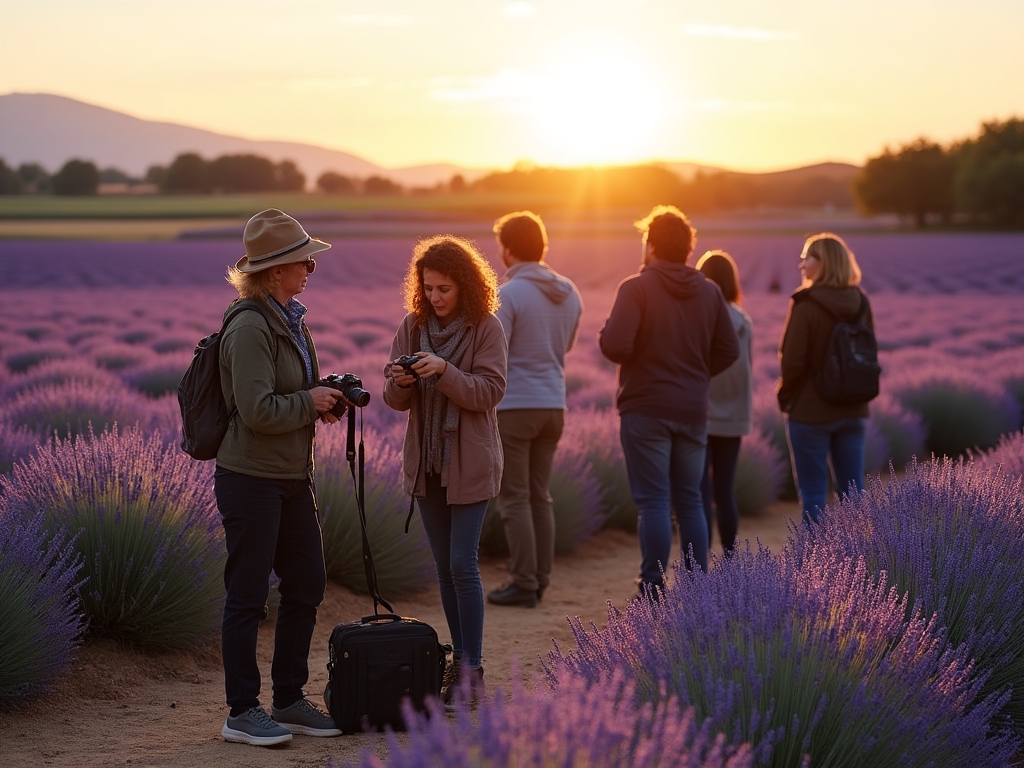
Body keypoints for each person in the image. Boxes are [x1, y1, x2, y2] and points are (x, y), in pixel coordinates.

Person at [214, 209, 348, 746]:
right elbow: (256, 410)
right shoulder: (249, 325)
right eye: (302, 261)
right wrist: (306, 401)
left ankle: (289, 699)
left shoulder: (290, 318)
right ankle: (241, 711)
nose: (311, 267)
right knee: (247, 594)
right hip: (250, 477)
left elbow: (289, 397)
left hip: (293, 476)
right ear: (274, 272)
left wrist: (323, 402)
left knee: (308, 584)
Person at [383, 235, 507, 705]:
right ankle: (460, 661)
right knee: (443, 567)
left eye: (444, 289)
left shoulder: (485, 328)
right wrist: (399, 381)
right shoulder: (411, 327)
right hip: (426, 464)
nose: (434, 298)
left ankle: (471, 668)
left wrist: (443, 371)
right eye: (428, 288)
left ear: (466, 287)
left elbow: (489, 392)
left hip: (470, 461)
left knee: (462, 563)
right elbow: (398, 404)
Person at [599, 206, 739, 597]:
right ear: (688, 248)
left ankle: (654, 585)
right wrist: (695, 375)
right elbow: (728, 351)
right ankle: (696, 585)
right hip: (692, 409)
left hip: (646, 408)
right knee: (691, 499)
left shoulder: (636, 288)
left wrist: (610, 337)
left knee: (654, 501)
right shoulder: (709, 291)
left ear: (652, 244)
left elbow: (616, 346)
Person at [486, 211, 583, 608]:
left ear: (508, 249)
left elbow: (496, 351)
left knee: (513, 496)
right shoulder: (570, 291)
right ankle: (541, 578)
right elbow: (569, 346)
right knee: (540, 496)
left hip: (515, 406)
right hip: (553, 404)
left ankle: (524, 582)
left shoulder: (508, 295)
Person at [777, 232, 874, 524]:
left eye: (807, 257)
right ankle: (857, 560)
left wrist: (787, 398)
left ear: (824, 264)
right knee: (853, 493)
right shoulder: (860, 301)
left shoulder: (805, 304)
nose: (801, 264)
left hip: (811, 411)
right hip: (854, 408)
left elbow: (791, 361)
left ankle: (819, 564)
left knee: (814, 493)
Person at [695, 250, 753, 556]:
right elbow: (748, 371)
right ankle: (730, 559)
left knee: (700, 492)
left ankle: (700, 560)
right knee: (725, 492)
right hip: (734, 416)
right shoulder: (744, 321)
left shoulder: (701, 318)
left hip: (701, 414)